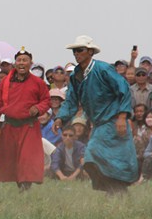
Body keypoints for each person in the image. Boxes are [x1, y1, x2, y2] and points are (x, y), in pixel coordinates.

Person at [55, 35, 138, 194]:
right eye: (75, 51)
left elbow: (124, 89)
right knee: (97, 159)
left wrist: (122, 117)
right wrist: (60, 117)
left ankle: (117, 190)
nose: (76, 54)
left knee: (97, 155)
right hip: (99, 124)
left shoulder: (103, 69)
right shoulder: (75, 76)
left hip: (113, 121)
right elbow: (71, 101)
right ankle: (113, 191)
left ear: (90, 52)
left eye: (80, 50)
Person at [0, 47, 51, 191]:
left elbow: (46, 101)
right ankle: (20, 185)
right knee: (12, 160)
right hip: (10, 126)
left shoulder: (38, 82)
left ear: (30, 63)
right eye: (19, 60)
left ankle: (25, 186)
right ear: (15, 63)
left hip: (28, 126)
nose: (21, 63)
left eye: (25, 60)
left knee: (27, 159)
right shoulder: (6, 82)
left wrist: (38, 108)